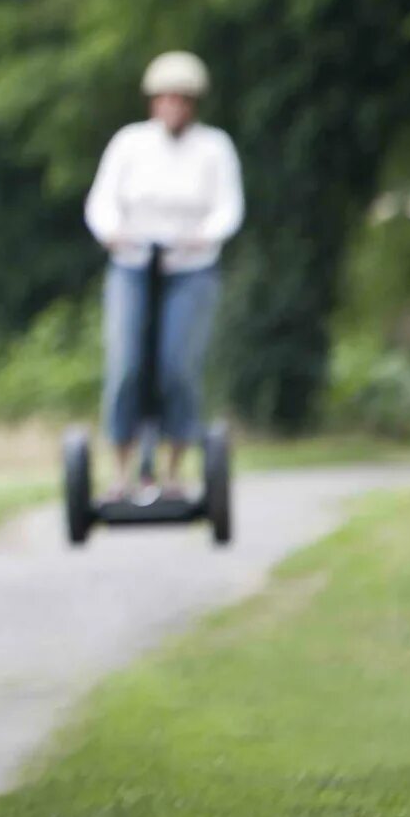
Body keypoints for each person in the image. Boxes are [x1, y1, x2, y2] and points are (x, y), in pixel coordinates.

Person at [83, 51, 242, 496]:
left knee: (177, 368)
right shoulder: (130, 144)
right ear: (153, 102)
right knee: (126, 367)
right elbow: (102, 202)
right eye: (165, 98)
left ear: (194, 103)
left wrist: (204, 236)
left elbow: (228, 208)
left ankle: (173, 471)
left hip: (189, 270)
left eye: (183, 99)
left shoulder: (214, 148)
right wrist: (111, 232)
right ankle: (121, 472)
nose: (173, 106)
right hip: (133, 266)